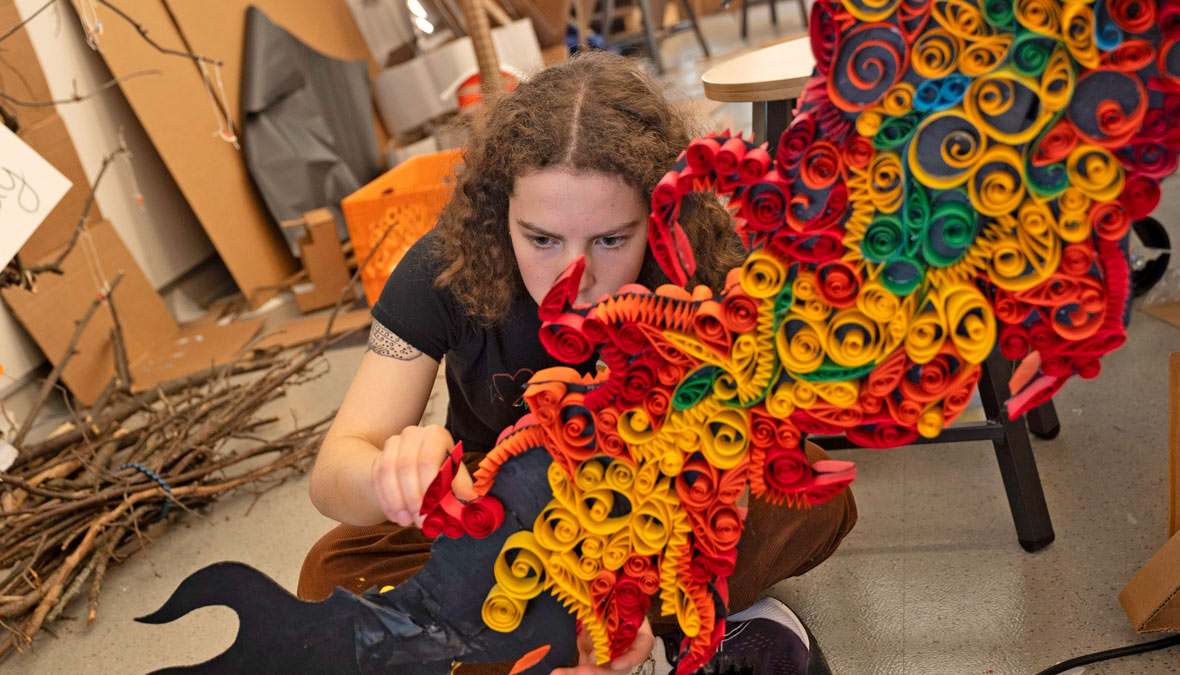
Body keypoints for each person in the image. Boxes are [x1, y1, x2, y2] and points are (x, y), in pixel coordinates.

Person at [299, 51, 857, 675]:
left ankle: (655, 623)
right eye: (540, 238)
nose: (574, 276)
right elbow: (335, 471)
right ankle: (678, 622)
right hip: (504, 511)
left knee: (804, 494)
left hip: (657, 497)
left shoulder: (707, 263)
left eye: (612, 239)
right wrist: (389, 477)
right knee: (332, 571)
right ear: (497, 215)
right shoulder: (445, 266)